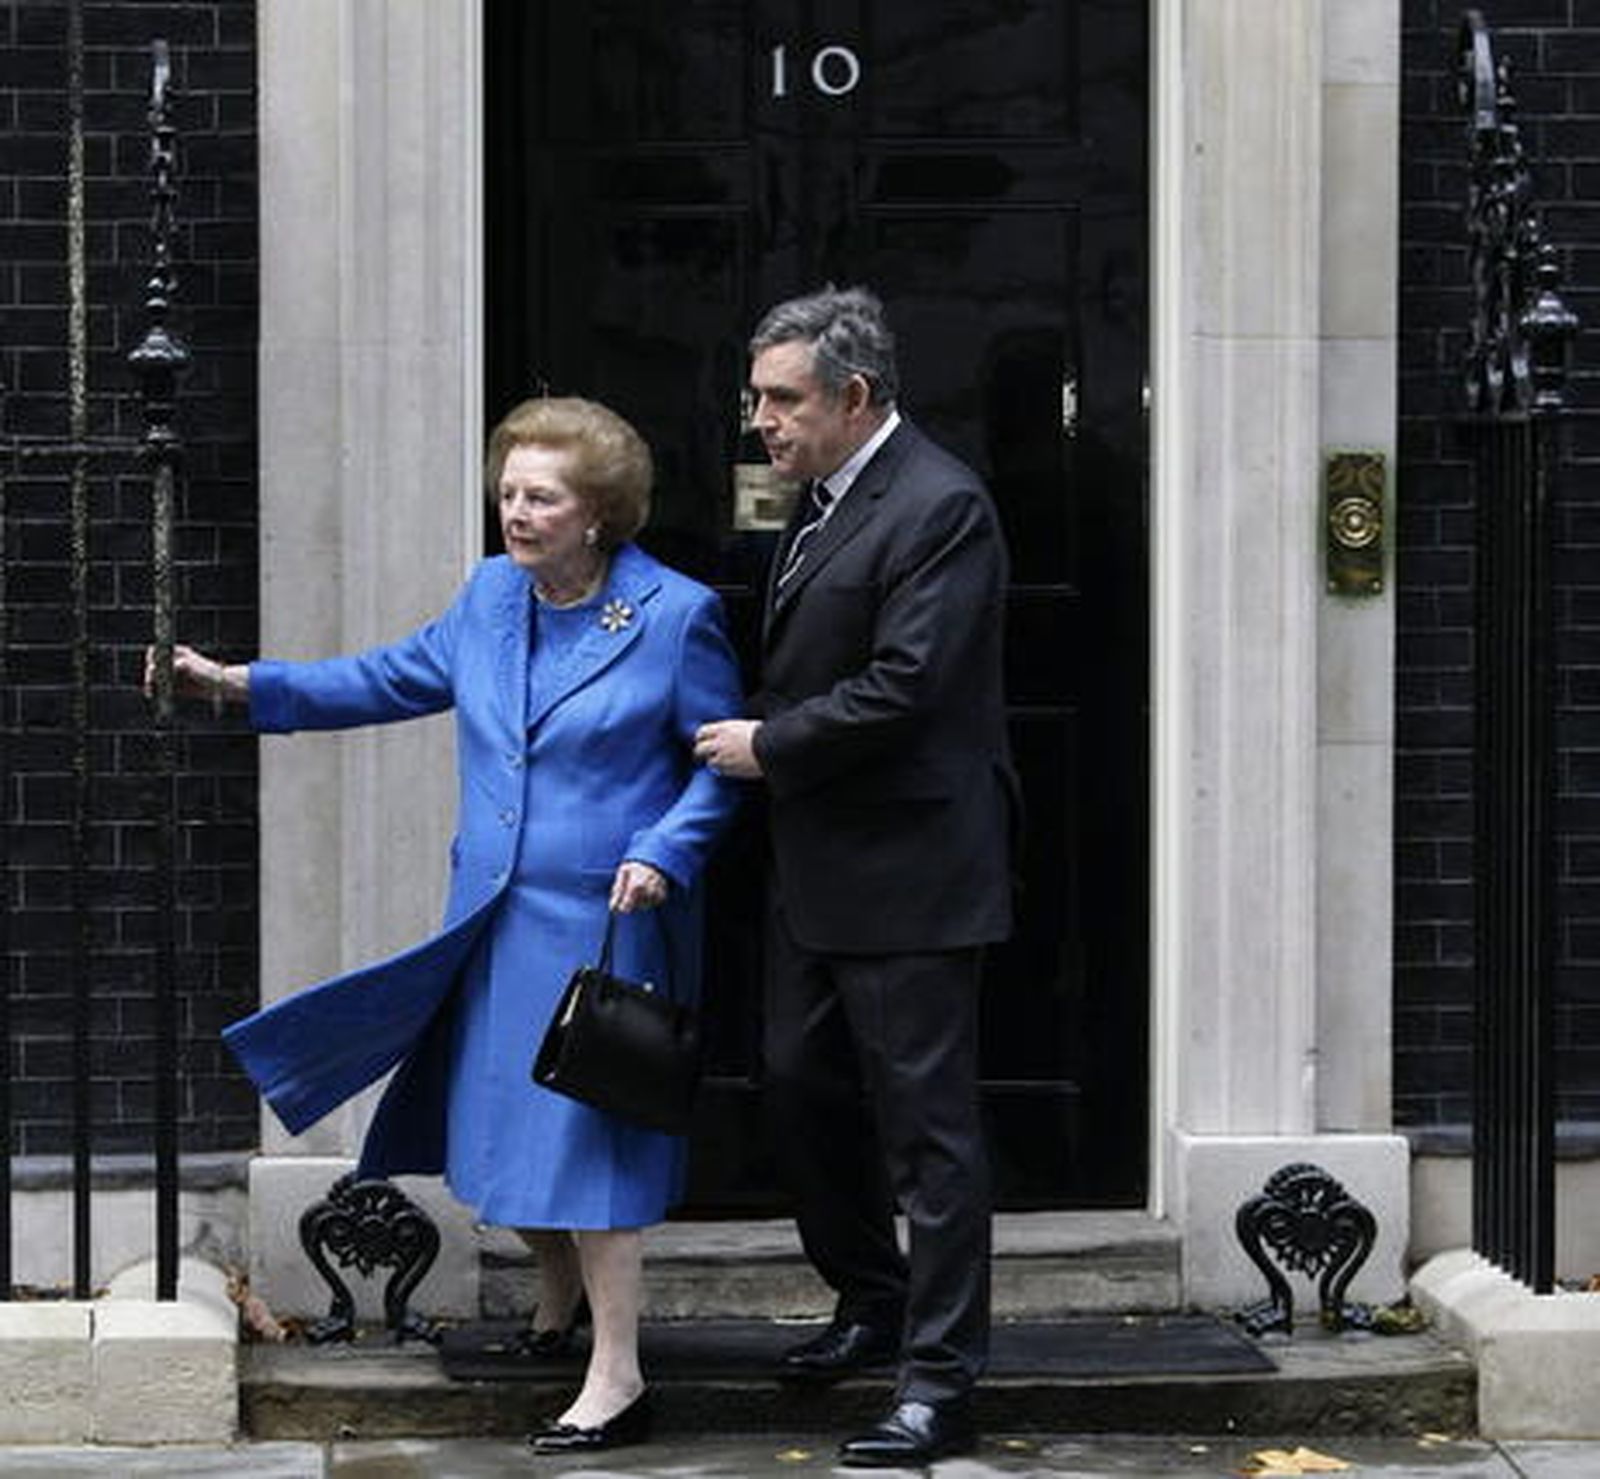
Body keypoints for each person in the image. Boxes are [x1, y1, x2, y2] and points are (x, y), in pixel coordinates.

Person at [152, 396, 743, 1456]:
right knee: (499, 1134)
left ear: (599, 511)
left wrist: (665, 851)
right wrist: (238, 687)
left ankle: (620, 1373)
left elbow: (715, 767)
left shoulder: (674, 616)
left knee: (590, 1146)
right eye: (507, 492)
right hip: (495, 919)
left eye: (541, 497)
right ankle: (555, 1309)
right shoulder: (488, 599)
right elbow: (386, 677)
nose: (515, 514)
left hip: (608, 920)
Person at [694, 286, 1016, 1467]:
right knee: (796, 1088)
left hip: (915, 867)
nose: (760, 421)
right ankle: (871, 1301)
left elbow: (908, 682)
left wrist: (766, 744)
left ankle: (939, 1383)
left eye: (781, 399)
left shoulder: (940, 505)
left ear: (854, 397)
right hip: (819, 866)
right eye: (757, 397)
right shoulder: (823, 501)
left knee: (928, 1134)